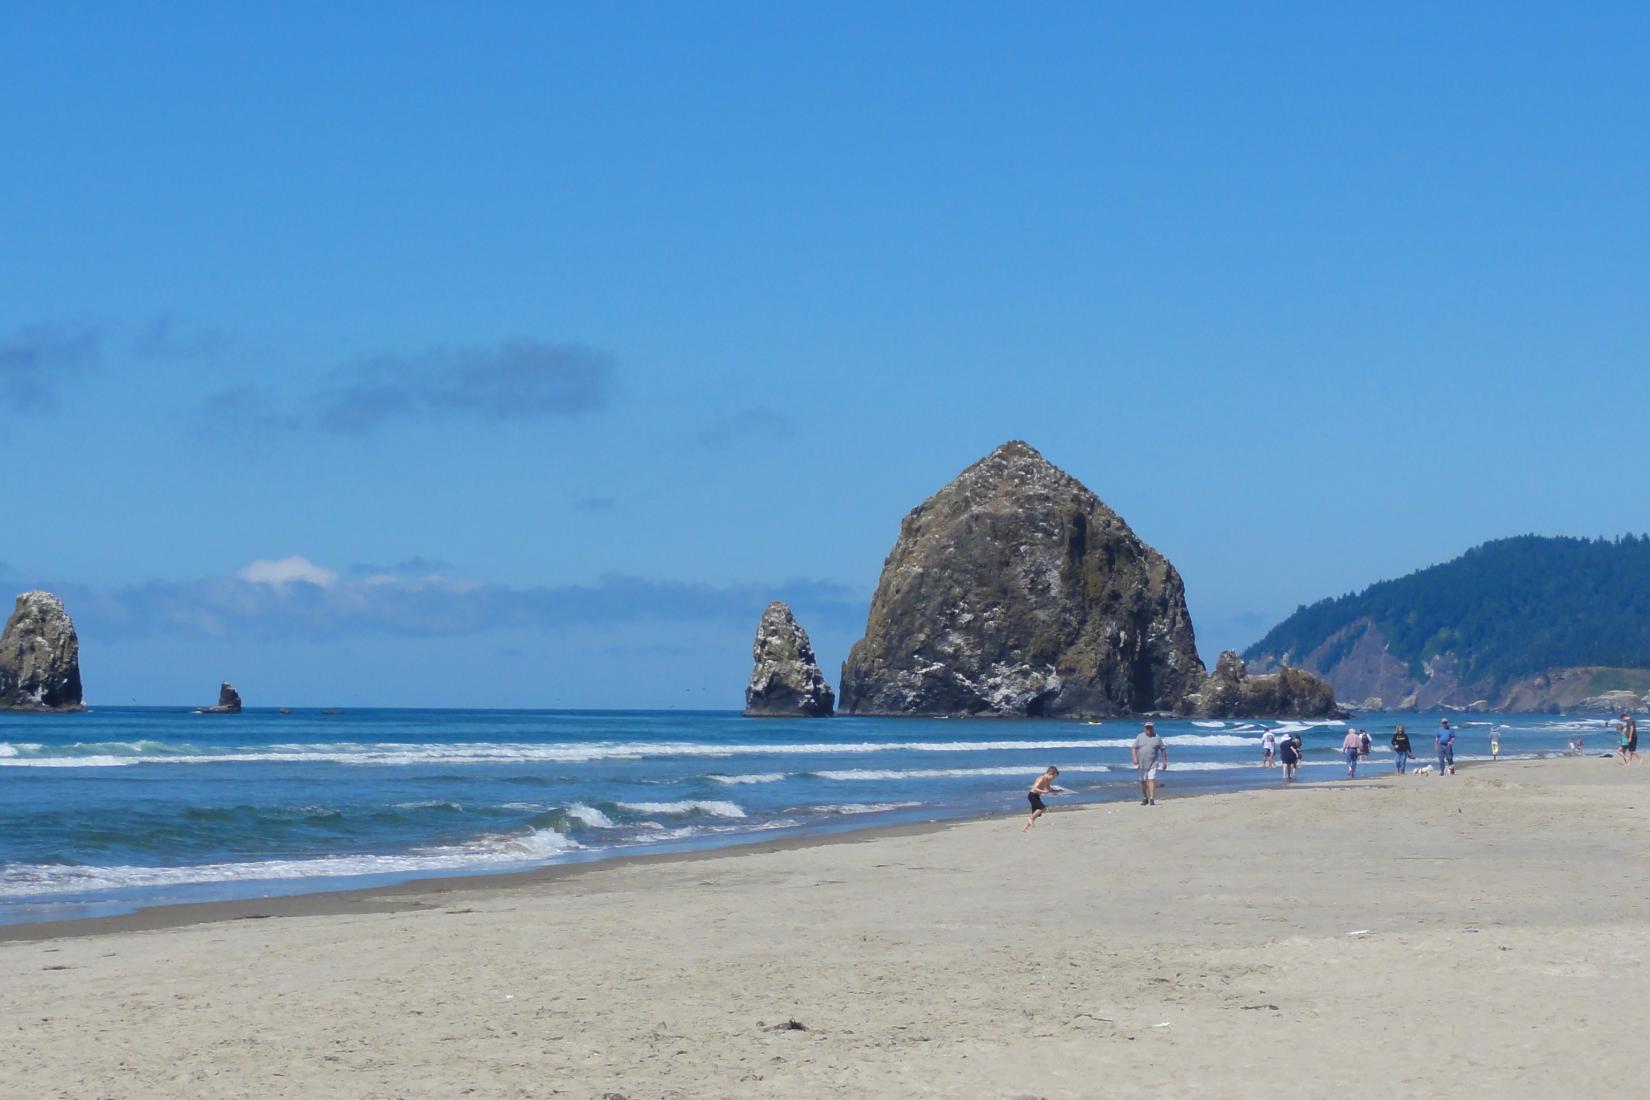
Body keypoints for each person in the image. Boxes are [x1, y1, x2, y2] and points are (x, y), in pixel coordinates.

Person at [1131, 722, 1168, 806]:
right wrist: (1134, 758)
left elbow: (1163, 749)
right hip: (1142, 763)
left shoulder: (1157, 737)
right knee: (1143, 781)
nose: (1149, 729)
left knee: (1151, 779)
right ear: (1145, 728)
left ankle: (1152, 799)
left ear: (1153, 728)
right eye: (1147, 728)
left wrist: (1164, 762)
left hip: (1153, 763)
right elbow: (1133, 748)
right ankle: (1145, 798)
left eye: (1150, 728)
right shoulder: (1140, 736)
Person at [1023, 766, 1064, 831]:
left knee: (1036, 814)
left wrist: (1057, 791)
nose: (1053, 779)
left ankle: (1025, 828)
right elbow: (1034, 788)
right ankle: (1030, 819)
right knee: (1042, 808)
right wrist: (1043, 791)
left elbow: (1049, 789)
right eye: (1053, 777)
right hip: (1032, 795)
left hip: (1036, 796)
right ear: (1050, 773)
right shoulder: (1041, 778)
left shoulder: (1047, 780)